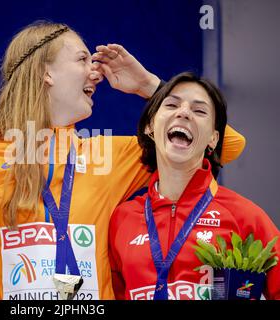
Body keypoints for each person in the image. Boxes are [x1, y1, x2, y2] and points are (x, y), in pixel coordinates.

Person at [0, 21, 246, 300]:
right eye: (83, 59)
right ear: (46, 73)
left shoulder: (109, 156)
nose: (96, 73)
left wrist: (150, 87)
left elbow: (227, 146)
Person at [108, 72, 280, 300]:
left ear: (214, 139)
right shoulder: (123, 218)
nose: (184, 113)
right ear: (150, 127)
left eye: (199, 111)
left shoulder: (244, 217)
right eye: (171, 105)